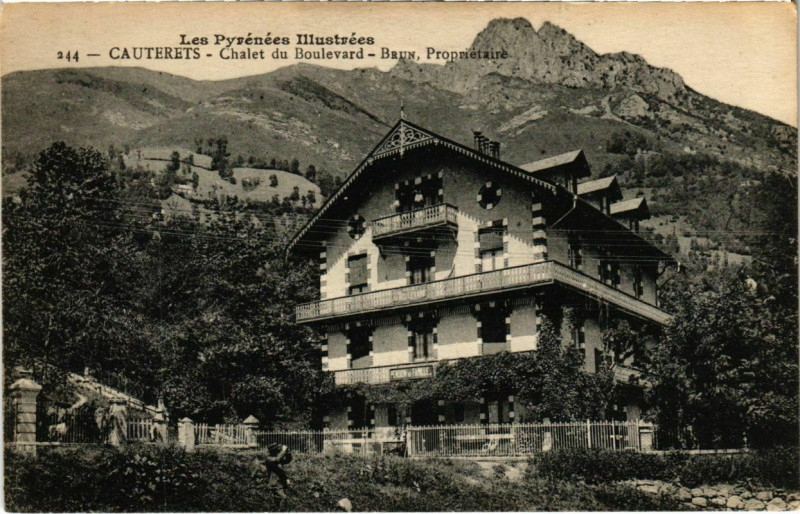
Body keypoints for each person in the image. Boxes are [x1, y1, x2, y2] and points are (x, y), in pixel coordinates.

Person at [251, 443, 292, 510]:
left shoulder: (275, 459)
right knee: (283, 498)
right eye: (278, 450)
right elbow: (278, 461)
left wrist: (288, 453)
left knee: (278, 502)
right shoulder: (269, 460)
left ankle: (276, 510)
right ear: (275, 451)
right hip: (275, 484)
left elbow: (287, 460)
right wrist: (283, 451)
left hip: (279, 483)